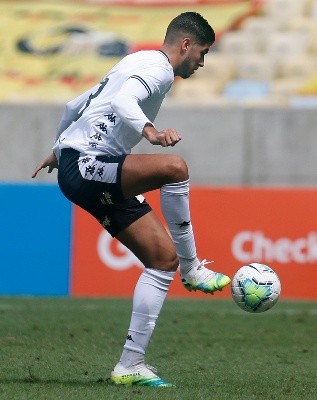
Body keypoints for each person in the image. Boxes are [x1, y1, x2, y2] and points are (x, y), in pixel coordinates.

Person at [31, 11, 230, 388]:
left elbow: (74, 105)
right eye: (202, 53)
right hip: (88, 164)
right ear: (186, 44)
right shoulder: (159, 70)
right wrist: (150, 132)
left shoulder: (135, 60)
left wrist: (58, 149)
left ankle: (130, 365)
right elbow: (124, 100)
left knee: (162, 260)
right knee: (174, 167)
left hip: (82, 165)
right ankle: (192, 268)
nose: (202, 62)